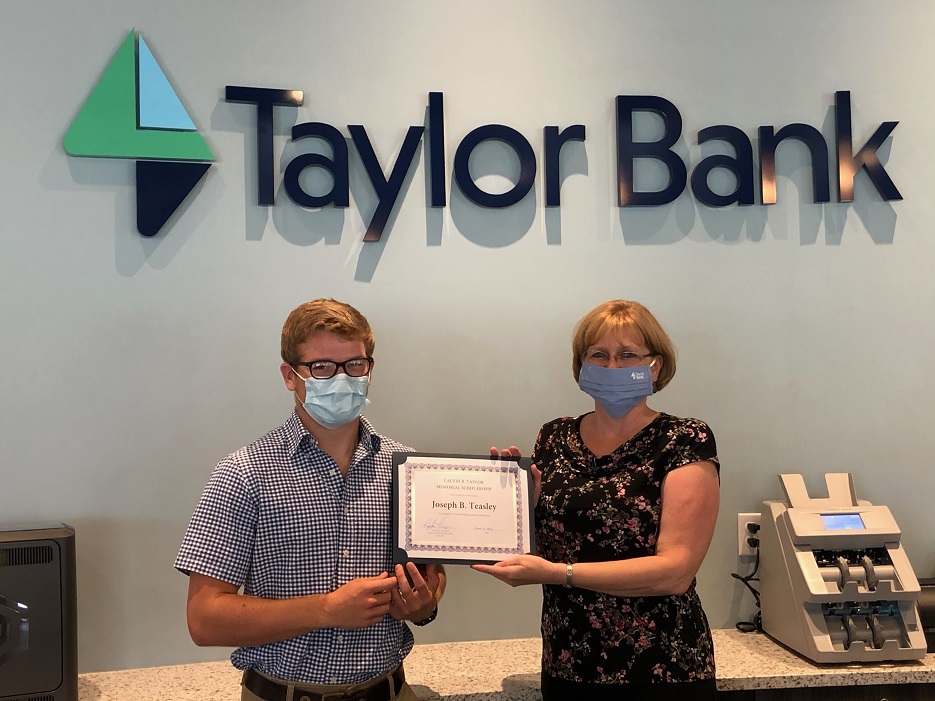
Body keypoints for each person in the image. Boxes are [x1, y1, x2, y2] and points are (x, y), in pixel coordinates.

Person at [175, 298, 444, 701]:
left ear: (370, 368)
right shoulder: (243, 474)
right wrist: (327, 610)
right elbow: (204, 619)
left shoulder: (408, 469)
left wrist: (422, 605)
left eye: (355, 364)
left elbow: (432, 579)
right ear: (290, 375)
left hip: (390, 690)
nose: (342, 378)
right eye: (321, 367)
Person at [474, 300, 720, 701]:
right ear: (581, 365)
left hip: (663, 670)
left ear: (654, 365)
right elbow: (549, 538)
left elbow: (674, 572)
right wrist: (522, 507)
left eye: (627, 355)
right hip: (568, 663)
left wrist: (558, 573)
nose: (611, 367)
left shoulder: (682, 439)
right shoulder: (553, 438)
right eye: (598, 355)